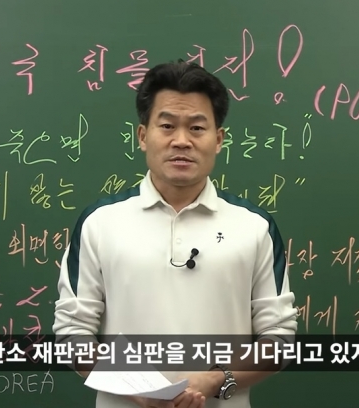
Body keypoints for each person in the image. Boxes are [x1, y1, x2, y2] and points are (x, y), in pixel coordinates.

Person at [52, 59, 299, 408]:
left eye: (196, 128)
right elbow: (71, 335)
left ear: (218, 140)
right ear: (143, 136)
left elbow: (279, 339)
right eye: (167, 126)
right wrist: (135, 385)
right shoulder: (100, 222)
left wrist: (216, 380)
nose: (181, 141)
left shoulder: (254, 226)